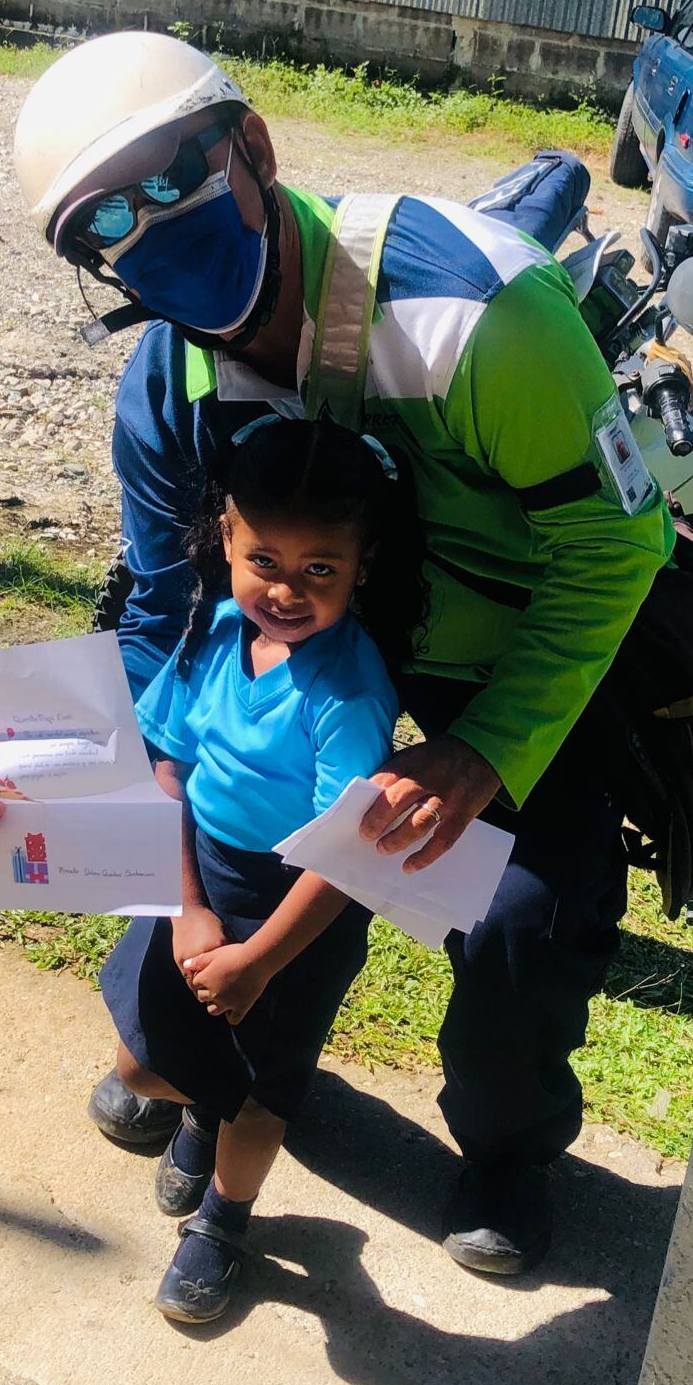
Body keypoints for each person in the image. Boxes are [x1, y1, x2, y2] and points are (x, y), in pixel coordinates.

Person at [0, 31, 676, 1276]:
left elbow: (617, 541)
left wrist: (482, 751)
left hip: (499, 657)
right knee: (203, 879)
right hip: (295, 656)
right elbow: (164, 614)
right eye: (101, 223)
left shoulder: (478, 315)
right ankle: (207, 1069)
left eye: (170, 178)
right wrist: (17, 784)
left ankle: (505, 1150)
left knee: (519, 921)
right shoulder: (167, 386)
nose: (145, 229)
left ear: (253, 148)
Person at [104, 413, 423, 1322]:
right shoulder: (212, 629)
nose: (286, 590)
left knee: (258, 1092)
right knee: (140, 1064)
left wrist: (258, 961)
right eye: (264, 562)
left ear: (362, 564)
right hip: (199, 877)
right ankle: (197, 1110)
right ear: (225, 541)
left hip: (295, 912)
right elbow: (169, 768)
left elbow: (345, 853)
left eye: (319, 569)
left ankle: (223, 1219)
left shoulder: (347, 690)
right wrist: (186, 908)